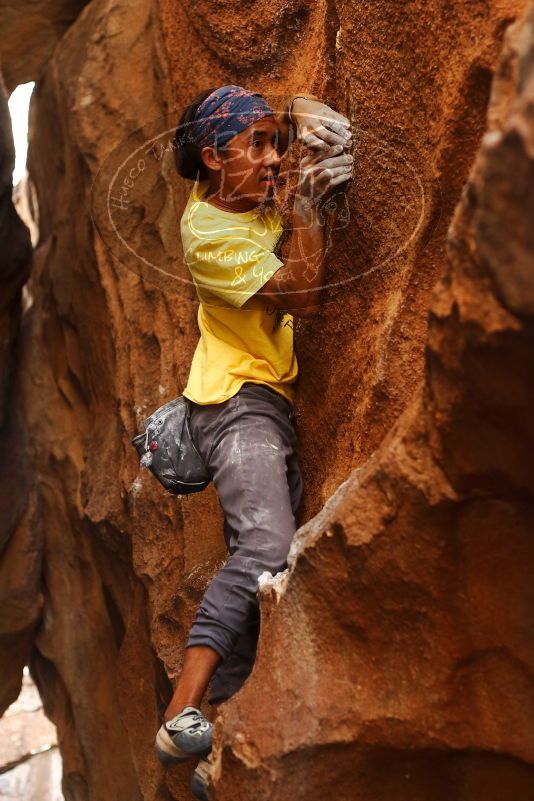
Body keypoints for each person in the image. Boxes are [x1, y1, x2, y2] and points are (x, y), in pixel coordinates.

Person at [154, 85, 353, 797]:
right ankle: (180, 712)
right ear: (213, 156)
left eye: (276, 141)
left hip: (263, 400)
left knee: (266, 581)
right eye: (256, 144)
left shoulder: (244, 192)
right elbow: (305, 294)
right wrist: (307, 204)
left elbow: (297, 104)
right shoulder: (209, 235)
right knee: (266, 549)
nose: (273, 156)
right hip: (236, 403)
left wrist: (308, 122)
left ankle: (218, 728)